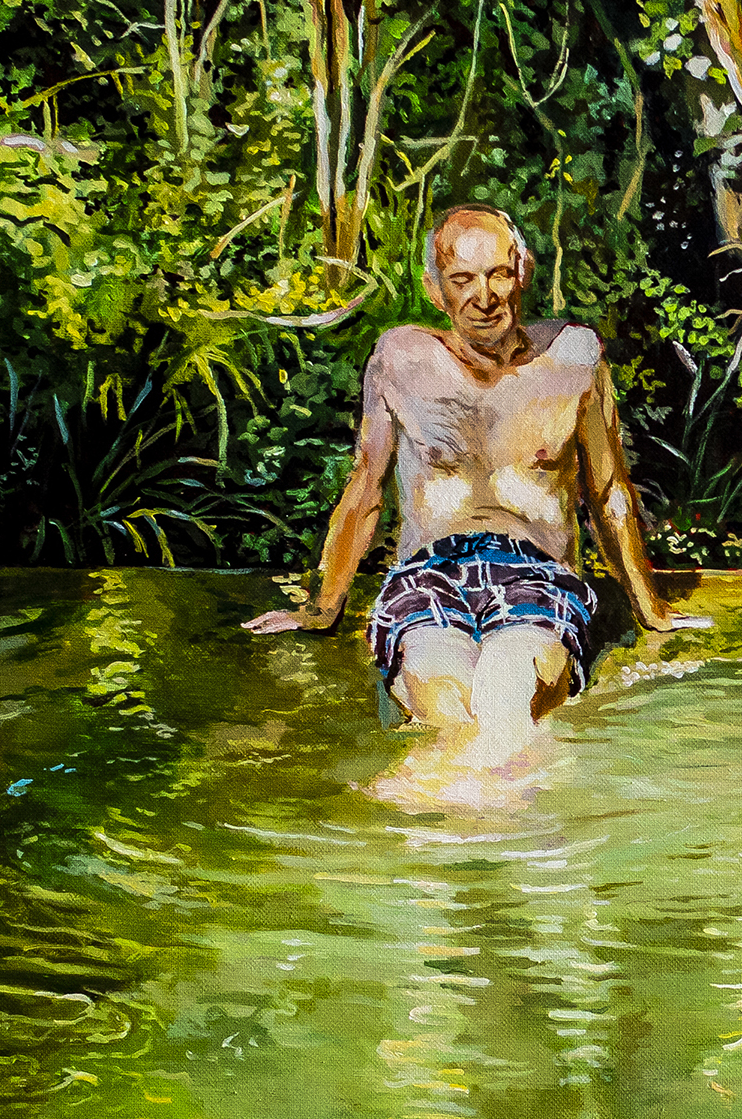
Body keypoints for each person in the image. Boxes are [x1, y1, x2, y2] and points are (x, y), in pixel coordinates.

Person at [246, 204, 676, 765]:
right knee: (440, 695)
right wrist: (322, 608)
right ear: (434, 287)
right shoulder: (401, 358)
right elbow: (366, 489)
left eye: (498, 273)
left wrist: (652, 609)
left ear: (521, 270)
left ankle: (457, 819)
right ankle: (499, 824)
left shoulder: (574, 356)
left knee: (507, 691)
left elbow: (609, 490)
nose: (485, 295)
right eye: (462, 279)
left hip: (536, 577)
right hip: (427, 576)